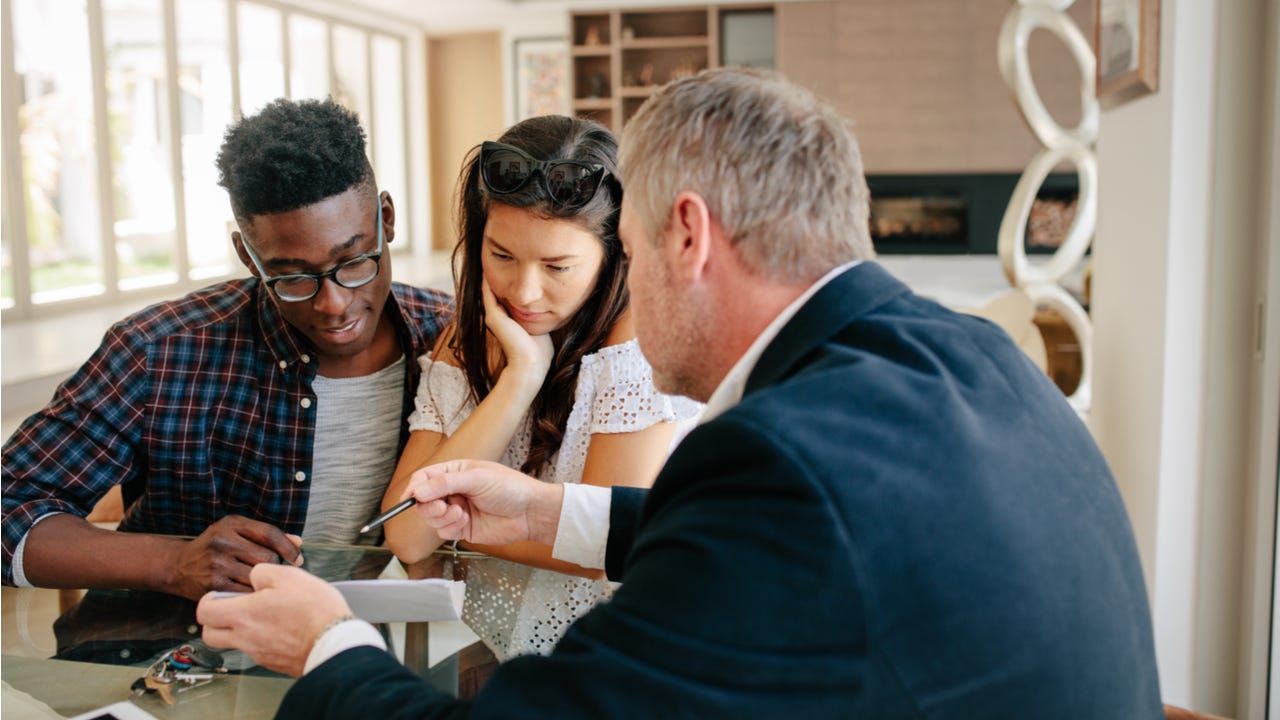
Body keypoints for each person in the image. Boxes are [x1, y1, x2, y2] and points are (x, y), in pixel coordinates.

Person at [197, 69, 1164, 718]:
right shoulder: (966, 353)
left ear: (685, 236)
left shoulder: (783, 457)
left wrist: (329, 647)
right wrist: (546, 510)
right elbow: (783, 541)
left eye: (627, 253)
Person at [1, 98, 450, 601]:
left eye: (353, 261)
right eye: (292, 277)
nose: (334, 304)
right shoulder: (160, 352)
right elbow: (8, 506)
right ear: (248, 256)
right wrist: (172, 562)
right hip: (173, 657)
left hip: (368, 654)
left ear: (386, 220)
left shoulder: (452, 341)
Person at [381, 115, 700, 667]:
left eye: (558, 266)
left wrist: (456, 531)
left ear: (615, 255)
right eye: (501, 255)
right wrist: (520, 378)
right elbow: (407, 536)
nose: (524, 292)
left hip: (615, 660)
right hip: (491, 653)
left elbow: (601, 543)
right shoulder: (472, 336)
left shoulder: (639, 342)